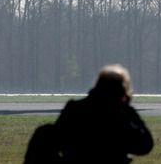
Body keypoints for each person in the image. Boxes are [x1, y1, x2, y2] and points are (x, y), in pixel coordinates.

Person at [24, 64, 153, 163]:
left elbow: (58, 140)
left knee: (44, 131)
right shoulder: (121, 116)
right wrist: (130, 111)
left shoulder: (74, 108)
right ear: (122, 91)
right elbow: (146, 146)